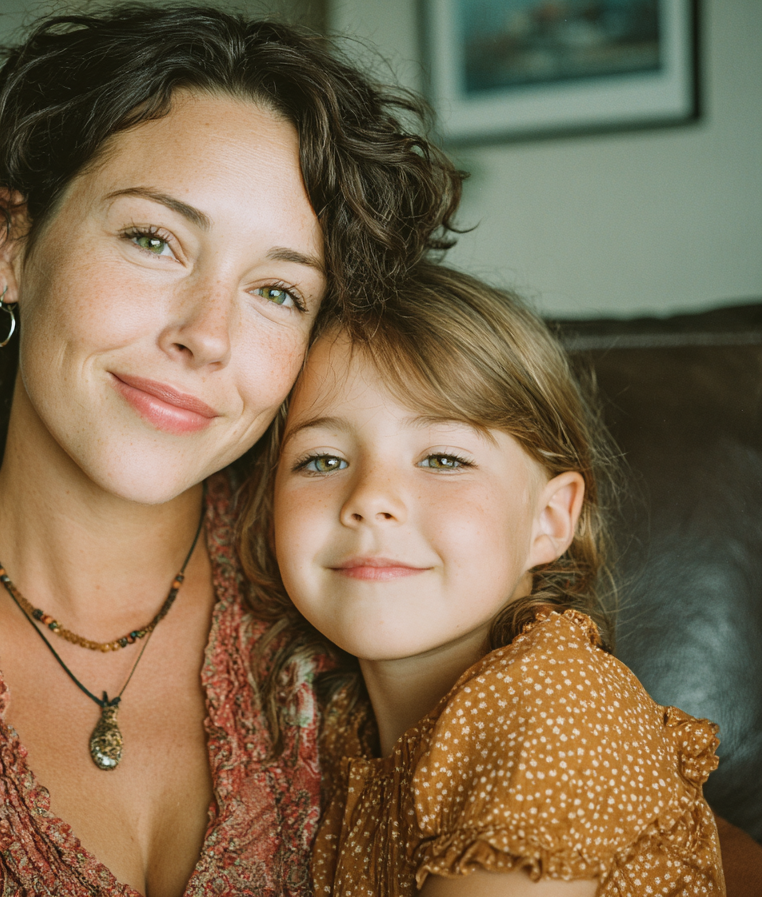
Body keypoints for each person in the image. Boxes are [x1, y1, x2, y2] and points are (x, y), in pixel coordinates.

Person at [0, 4, 464, 896]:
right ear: (9, 242)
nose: (208, 335)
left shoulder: (351, 580)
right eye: (153, 240)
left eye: (277, 290)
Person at [238, 262, 726, 895]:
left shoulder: (554, 700)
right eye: (323, 459)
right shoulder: (336, 728)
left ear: (548, 522)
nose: (371, 498)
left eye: (443, 458)